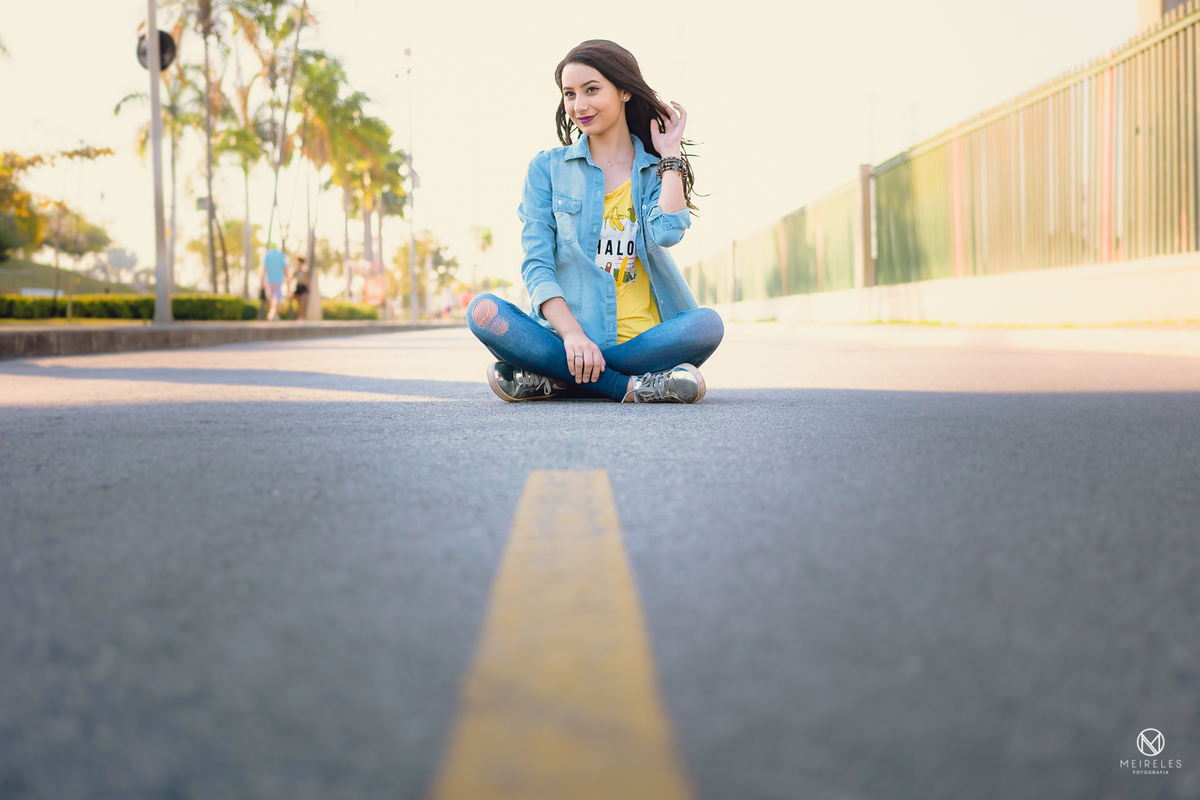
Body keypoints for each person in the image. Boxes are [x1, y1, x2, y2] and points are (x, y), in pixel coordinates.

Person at [467, 39, 723, 404]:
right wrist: (572, 335)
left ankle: (557, 378)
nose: (579, 105)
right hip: (564, 338)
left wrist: (669, 156)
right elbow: (537, 265)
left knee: (707, 325)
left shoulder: (654, 171)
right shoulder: (547, 168)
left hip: (641, 343)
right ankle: (629, 386)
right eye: (569, 94)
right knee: (483, 312)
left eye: (591, 90)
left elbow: (668, 233)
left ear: (624, 92)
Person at [260, 244, 287, 321]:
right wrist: (288, 279)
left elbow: (263, 268)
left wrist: (261, 280)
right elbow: (285, 268)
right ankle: (275, 314)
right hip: (278, 280)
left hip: (268, 280)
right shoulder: (281, 255)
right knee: (277, 298)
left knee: (271, 298)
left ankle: (273, 313)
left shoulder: (267, 255)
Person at [292, 255, 310, 320]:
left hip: (303, 287)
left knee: (303, 302)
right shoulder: (295, 271)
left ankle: (303, 317)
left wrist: (309, 289)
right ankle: (299, 317)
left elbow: (308, 280)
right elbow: (291, 279)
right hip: (298, 287)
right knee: (299, 304)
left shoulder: (305, 271)